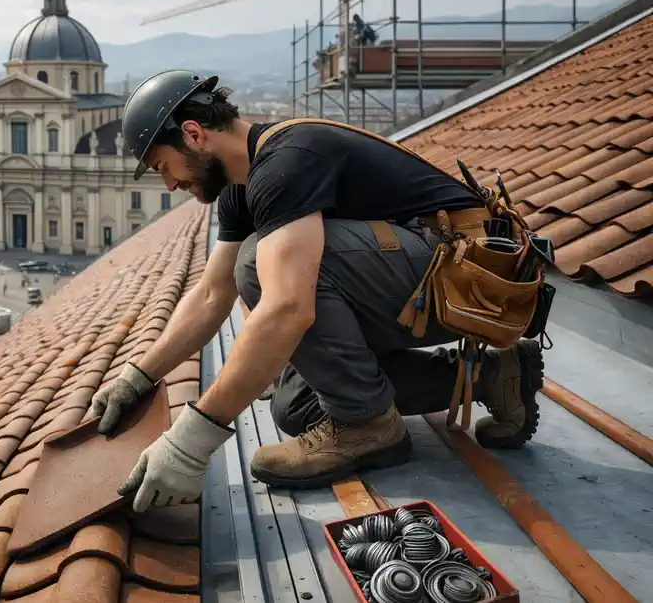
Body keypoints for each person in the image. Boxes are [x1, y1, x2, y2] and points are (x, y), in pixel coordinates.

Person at [93, 70, 544, 511]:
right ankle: (496, 377)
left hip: (473, 278)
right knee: (296, 406)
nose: (170, 184)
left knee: (259, 262)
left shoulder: (290, 160)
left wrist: (193, 440)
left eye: (162, 167)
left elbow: (289, 307)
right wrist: (140, 376)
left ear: (193, 134)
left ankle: (369, 423)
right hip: (420, 284)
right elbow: (213, 294)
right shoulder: (242, 185)